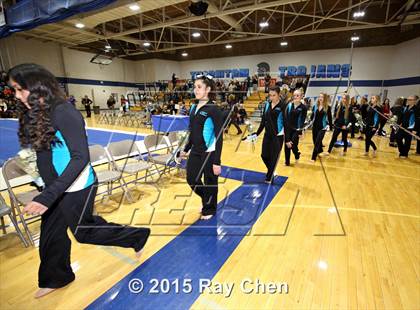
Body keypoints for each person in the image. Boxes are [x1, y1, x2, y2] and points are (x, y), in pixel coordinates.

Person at [8, 63, 150, 298]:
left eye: (18, 89)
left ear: (36, 87)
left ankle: (137, 235)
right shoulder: (39, 113)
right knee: (52, 234)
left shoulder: (64, 112)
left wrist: (48, 195)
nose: (16, 95)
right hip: (56, 187)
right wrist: (43, 183)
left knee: (85, 232)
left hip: (77, 186)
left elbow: (80, 157)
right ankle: (57, 277)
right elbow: (48, 154)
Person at [181, 75, 224, 220]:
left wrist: (217, 161)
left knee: (210, 182)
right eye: (195, 87)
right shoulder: (193, 108)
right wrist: (186, 149)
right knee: (191, 179)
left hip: (209, 153)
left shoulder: (213, 109)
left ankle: (209, 209)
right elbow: (192, 131)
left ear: (208, 89)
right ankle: (208, 200)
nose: (195, 90)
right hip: (195, 151)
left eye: (199, 87)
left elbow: (219, 136)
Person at [253, 86, 285, 183]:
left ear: (279, 95)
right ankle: (272, 170)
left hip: (278, 136)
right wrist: (257, 134)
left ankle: (269, 176)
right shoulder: (267, 105)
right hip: (267, 135)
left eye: (274, 95)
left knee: (274, 157)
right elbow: (263, 121)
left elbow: (286, 123)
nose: (271, 97)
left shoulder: (284, 106)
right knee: (264, 155)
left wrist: (288, 138)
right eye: (270, 95)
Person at [284, 89, 307, 166]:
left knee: (293, 145)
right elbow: (286, 118)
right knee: (287, 144)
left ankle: (297, 154)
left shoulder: (303, 107)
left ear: (301, 96)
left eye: (297, 95)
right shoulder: (289, 105)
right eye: (294, 95)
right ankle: (287, 162)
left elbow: (302, 120)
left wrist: (300, 131)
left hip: (296, 130)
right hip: (288, 128)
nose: (295, 97)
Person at [310, 93, 332, 161]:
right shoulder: (315, 106)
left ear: (324, 98)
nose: (320, 98)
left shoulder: (327, 107)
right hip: (315, 126)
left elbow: (330, 118)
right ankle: (320, 151)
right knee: (314, 141)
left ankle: (313, 157)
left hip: (323, 127)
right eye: (319, 97)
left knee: (317, 142)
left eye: (322, 97)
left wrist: (331, 127)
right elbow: (312, 116)